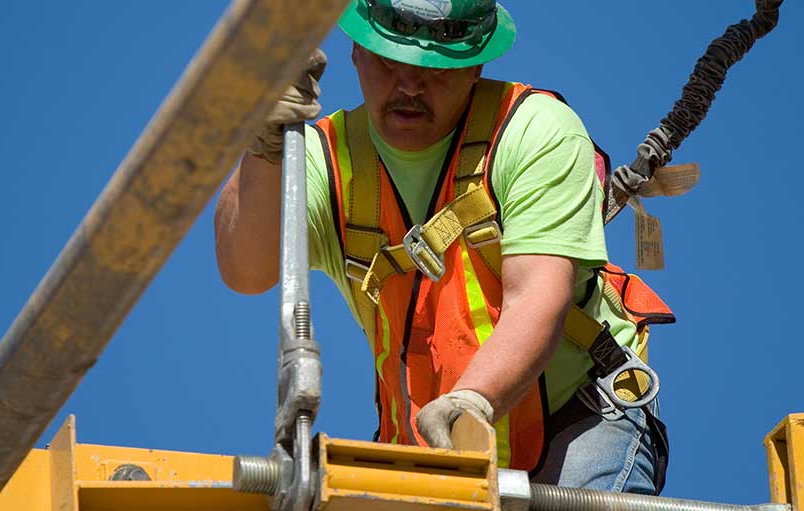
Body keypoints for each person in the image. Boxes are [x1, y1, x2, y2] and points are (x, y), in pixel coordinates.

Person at [215, 0, 672, 495]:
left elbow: (539, 299)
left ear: (476, 65)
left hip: (577, 415)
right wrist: (265, 146)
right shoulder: (327, 160)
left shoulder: (534, 131)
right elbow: (246, 268)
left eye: (437, 67)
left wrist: (472, 401)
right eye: (390, 60)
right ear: (356, 51)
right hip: (427, 443)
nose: (410, 85)